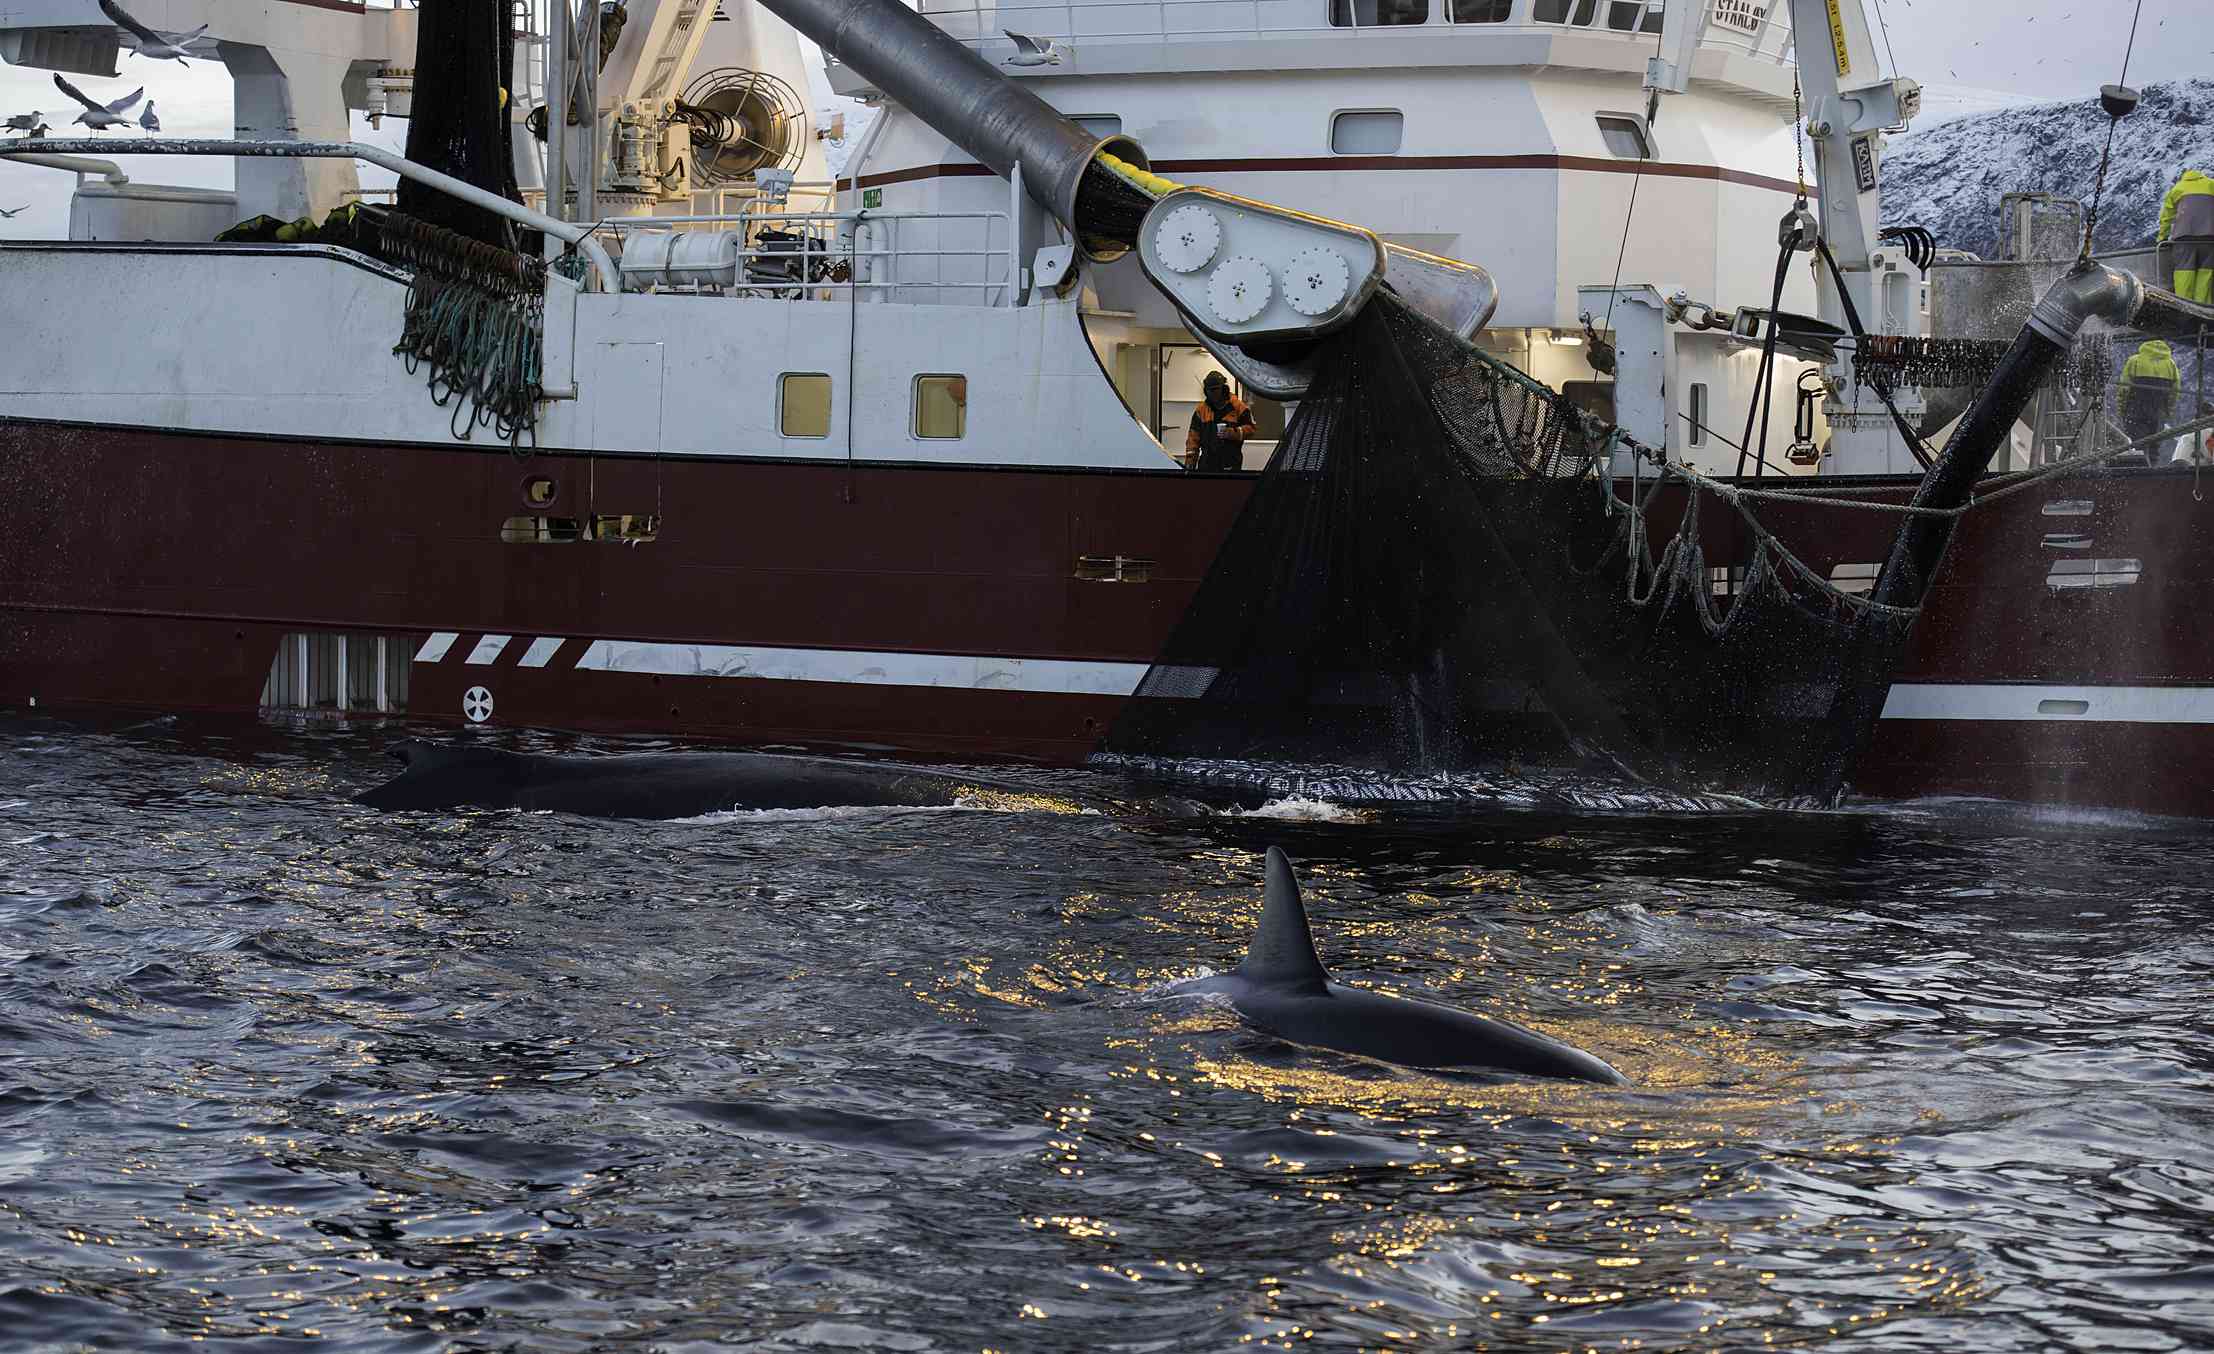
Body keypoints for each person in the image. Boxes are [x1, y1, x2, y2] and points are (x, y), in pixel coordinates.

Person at [2159, 168, 2213, 305]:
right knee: (2205, 276)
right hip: (2209, 240)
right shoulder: (2211, 185)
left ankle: (2184, 308)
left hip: (2184, 240)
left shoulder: (2178, 188)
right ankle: (2204, 311)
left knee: (2184, 275)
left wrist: (2162, 238)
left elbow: (2166, 217)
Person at [1184, 371, 1257, 471]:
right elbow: (1193, 438)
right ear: (1206, 391)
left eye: (1216, 389)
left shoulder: (1238, 406)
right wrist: (1189, 463)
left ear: (1224, 389)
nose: (1213, 393)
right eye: (1210, 390)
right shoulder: (1201, 410)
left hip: (1231, 463)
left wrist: (1234, 433)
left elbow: (1251, 428)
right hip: (1207, 464)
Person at [2118, 340, 2179, 446]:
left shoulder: (2134, 361)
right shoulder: (2171, 364)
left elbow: (2124, 388)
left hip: (2136, 411)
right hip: (2158, 413)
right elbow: (2174, 392)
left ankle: (2139, 462)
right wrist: (2168, 411)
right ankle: (2152, 461)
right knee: (2154, 446)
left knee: (2136, 445)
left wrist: (2122, 409)